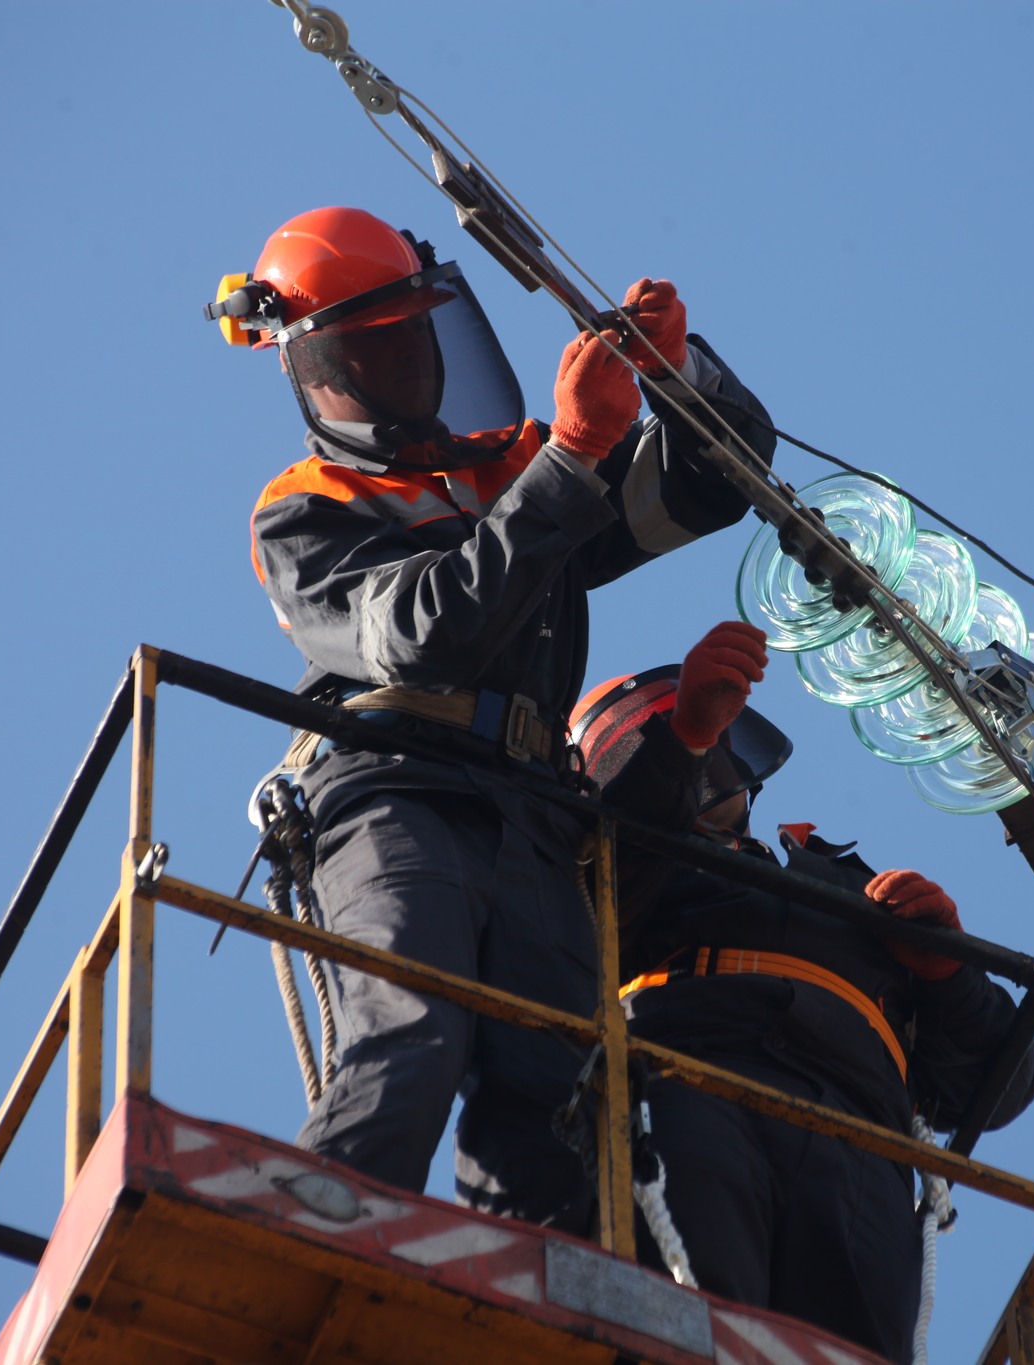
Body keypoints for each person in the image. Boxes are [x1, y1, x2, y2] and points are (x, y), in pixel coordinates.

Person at [209, 205, 774, 1233]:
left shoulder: (505, 474)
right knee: (411, 1025)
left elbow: (708, 482)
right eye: (366, 346)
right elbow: (426, 633)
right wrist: (570, 456)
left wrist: (674, 376)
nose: (403, 363)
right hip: (397, 791)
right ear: (311, 366)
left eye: (410, 332)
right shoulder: (307, 507)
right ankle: (312, 1239)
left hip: (533, 815)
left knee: (556, 1095)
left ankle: (540, 1306)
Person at [572, 620, 1034, 1363]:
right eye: (660, 744)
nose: (704, 757)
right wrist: (680, 739)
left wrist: (947, 970)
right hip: (687, 1075)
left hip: (861, 1129)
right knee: (688, 1321)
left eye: (709, 737)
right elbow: (583, 919)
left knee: (850, 1346)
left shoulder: (840, 879)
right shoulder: (610, 864)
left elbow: (1002, 1087)